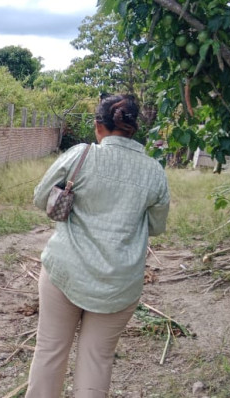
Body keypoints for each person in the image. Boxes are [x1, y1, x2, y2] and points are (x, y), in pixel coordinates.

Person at [27, 94, 171, 397]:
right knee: (98, 360)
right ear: (134, 129)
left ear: (98, 126)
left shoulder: (81, 155)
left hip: (65, 272)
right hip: (119, 284)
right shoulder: (154, 171)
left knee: (50, 352)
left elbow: (41, 197)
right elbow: (157, 227)